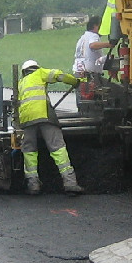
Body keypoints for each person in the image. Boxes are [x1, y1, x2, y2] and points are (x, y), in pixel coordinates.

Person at [16, 59, 83, 196]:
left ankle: (33, 184)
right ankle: (70, 183)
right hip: (43, 115)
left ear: (24, 71)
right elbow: (59, 75)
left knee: (29, 150)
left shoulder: (21, 83)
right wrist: (75, 82)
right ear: (35, 67)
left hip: (26, 119)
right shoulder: (40, 73)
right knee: (57, 147)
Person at [72, 14, 110, 99]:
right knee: (93, 99)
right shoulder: (93, 36)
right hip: (89, 75)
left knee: (82, 100)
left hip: (79, 72)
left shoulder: (82, 38)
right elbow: (92, 45)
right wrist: (108, 44)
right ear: (95, 26)